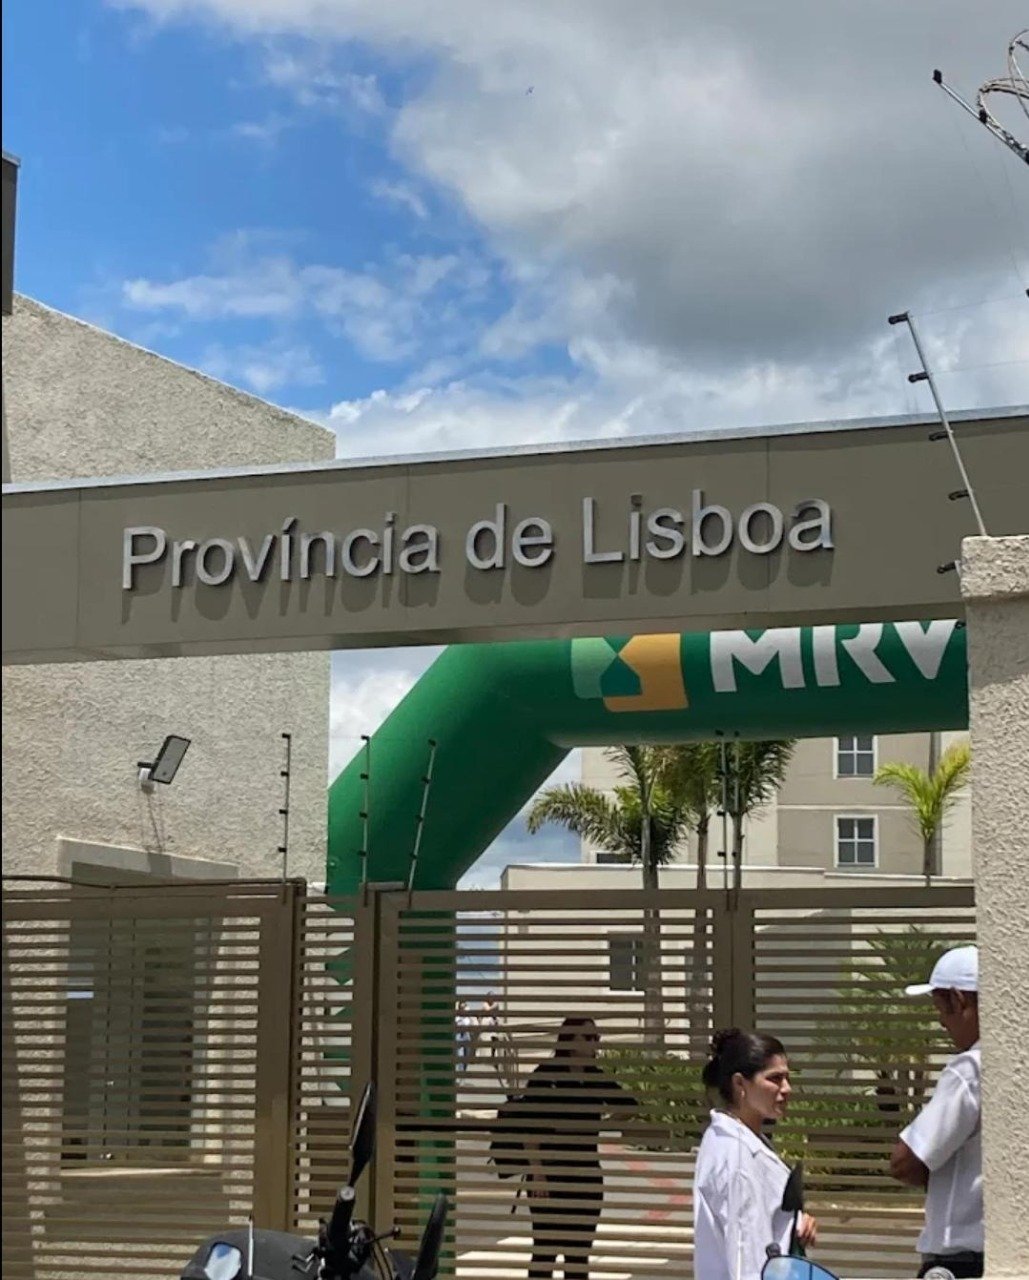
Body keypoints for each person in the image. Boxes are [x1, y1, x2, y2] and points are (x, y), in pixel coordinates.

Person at [693, 1028, 817, 1280]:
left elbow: (763, 1217)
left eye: (787, 1078)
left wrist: (793, 1223)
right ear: (740, 1083)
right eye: (775, 1079)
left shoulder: (738, 1138)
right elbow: (746, 1262)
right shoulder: (738, 1157)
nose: (786, 1088)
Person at [889, 945, 982, 1279]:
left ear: (958, 1000)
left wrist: (936, 1170)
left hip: (959, 1261)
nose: (941, 1022)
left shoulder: (970, 1070)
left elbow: (905, 1162)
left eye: (940, 1009)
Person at [520, 1016, 637, 1280]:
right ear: (570, 1040)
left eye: (597, 1037)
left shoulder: (594, 1077)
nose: (595, 1042)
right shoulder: (547, 1075)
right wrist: (537, 1172)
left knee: (578, 1254)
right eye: (588, 1037)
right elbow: (530, 1125)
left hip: (586, 1174)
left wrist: (601, 1125)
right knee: (545, 1250)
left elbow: (629, 1105)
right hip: (550, 1174)